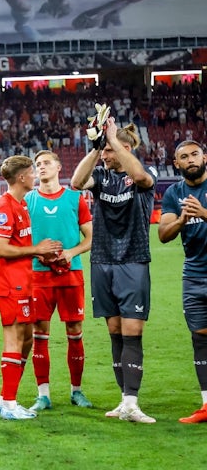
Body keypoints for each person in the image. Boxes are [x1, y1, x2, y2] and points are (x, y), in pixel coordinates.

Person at [71, 116, 157, 424]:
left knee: (133, 332)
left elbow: (140, 176)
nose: (107, 156)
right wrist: (95, 147)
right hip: (103, 261)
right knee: (115, 333)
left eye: (111, 150)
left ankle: (133, 402)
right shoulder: (101, 175)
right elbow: (76, 183)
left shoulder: (145, 172)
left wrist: (114, 142)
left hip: (133, 259)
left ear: (127, 148)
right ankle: (125, 401)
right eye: (105, 151)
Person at [0, 155, 63, 420]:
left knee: (26, 339)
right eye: (31, 172)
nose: (35, 176)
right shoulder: (5, 206)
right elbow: (0, 248)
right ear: (21, 177)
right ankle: (8, 404)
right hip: (10, 283)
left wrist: (39, 255)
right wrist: (36, 249)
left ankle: (5, 399)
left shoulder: (20, 205)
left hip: (24, 280)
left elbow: (17, 246)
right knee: (14, 338)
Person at [24, 150, 93, 412]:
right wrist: (36, 251)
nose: (41, 167)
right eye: (37, 164)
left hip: (70, 274)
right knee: (39, 335)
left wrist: (70, 253)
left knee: (74, 333)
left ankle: (77, 391)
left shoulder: (75, 199)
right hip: (38, 276)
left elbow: (90, 237)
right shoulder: (28, 200)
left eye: (46, 163)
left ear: (59, 167)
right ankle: (43, 394)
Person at [158, 140, 207, 423]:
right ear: (176, 163)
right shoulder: (174, 193)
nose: (190, 160)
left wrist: (203, 214)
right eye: (184, 157)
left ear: (204, 157)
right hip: (193, 275)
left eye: (194, 154)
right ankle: (205, 404)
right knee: (199, 338)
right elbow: (164, 233)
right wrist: (182, 219)